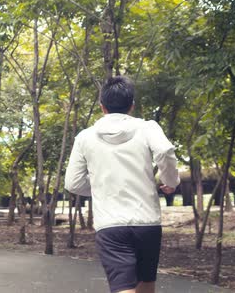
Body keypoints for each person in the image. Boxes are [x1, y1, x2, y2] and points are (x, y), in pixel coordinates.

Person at [64, 75, 179, 293]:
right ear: (132, 106)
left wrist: (102, 187)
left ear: (102, 107)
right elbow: (165, 150)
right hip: (147, 223)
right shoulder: (148, 128)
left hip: (111, 225)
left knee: (123, 288)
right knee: (146, 285)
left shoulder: (85, 138)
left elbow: (73, 182)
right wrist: (170, 182)